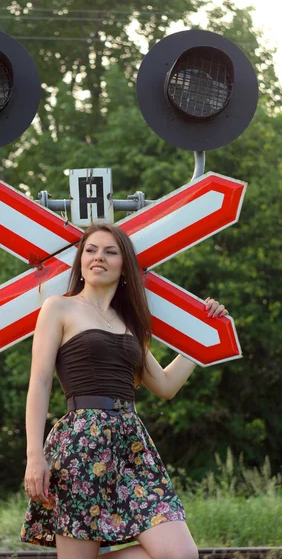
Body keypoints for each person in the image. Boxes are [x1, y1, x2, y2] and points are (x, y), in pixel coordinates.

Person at [20, 223, 228, 559]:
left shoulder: (129, 323)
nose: (98, 257)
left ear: (124, 264)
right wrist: (34, 457)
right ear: (81, 260)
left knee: (180, 554)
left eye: (109, 251)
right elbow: (40, 382)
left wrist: (202, 338)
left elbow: (165, 386)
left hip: (132, 446)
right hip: (80, 445)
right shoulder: (59, 307)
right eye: (91, 250)